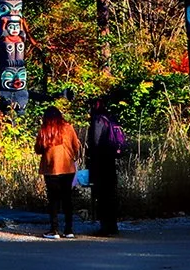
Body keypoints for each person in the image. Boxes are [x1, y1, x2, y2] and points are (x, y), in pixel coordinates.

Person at [33, 105, 82, 238]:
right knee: (67, 199)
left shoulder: (45, 130)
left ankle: (54, 230)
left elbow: (38, 149)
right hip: (67, 168)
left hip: (50, 169)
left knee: (53, 200)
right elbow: (76, 146)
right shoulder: (69, 128)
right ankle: (69, 230)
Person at [87, 96, 125, 236]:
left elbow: (95, 143)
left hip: (100, 162)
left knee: (102, 196)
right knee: (111, 194)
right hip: (111, 161)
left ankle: (105, 227)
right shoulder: (111, 118)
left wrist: (90, 157)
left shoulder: (98, 120)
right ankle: (113, 225)